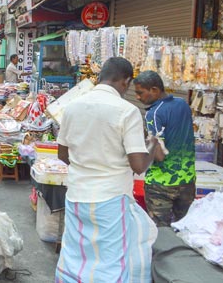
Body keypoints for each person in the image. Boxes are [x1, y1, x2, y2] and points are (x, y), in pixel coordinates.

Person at [55, 57, 159, 282]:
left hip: (76, 195)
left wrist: (86, 167)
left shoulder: (72, 107)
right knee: (110, 262)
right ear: (126, 82)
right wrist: (152, 147)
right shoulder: (127, 111)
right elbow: (138, 166)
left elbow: (62, 154)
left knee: (75, 254)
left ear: (101, 77)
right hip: (110, 198)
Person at [134, 70, 196, 227]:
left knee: (161, 233)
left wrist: (142, 139)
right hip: (187, 180)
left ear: (154, 90)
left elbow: (159, 154)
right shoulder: (182, 104)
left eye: (140, 93)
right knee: (184, 229)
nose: (137, 97)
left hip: (160, 183)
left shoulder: (153, 114)